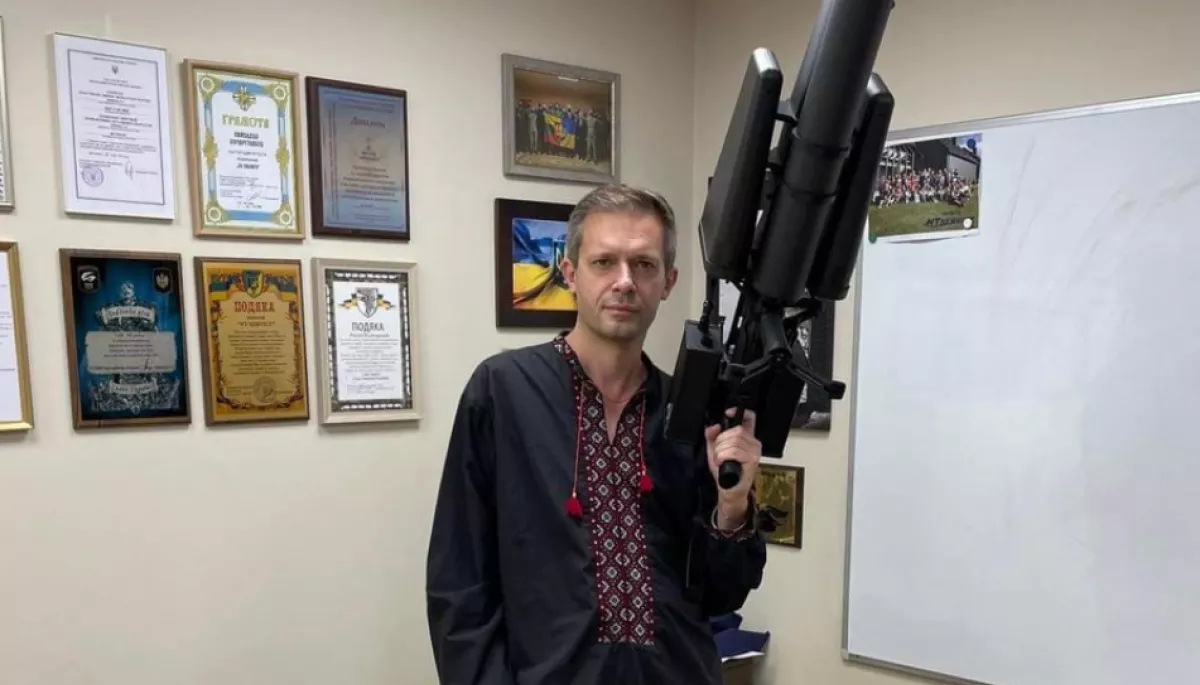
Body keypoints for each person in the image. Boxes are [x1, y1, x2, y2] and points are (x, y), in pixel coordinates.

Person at [425, 184, 768, 685]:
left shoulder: (688, 415)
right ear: (570, 274)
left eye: (644, 265)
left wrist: (733, 506)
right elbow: (459, 584)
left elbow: (722, 595)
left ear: (668, 281)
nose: (624, 282)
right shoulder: (503, 392)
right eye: (604, 262)